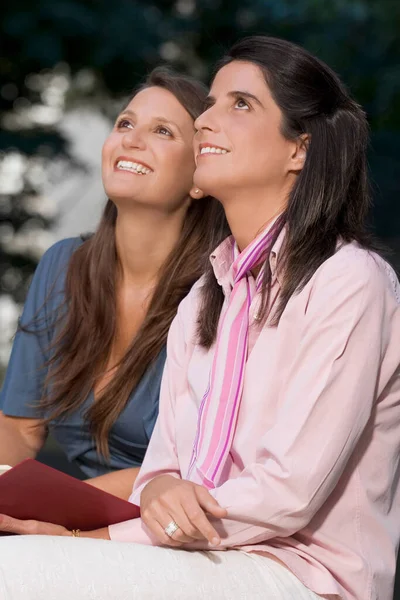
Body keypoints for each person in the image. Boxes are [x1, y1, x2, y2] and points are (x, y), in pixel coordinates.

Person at [0, 35, 399, 600]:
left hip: (302, 572)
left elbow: (286, 495)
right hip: (201, 556)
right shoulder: (205, 299)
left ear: (299, 150)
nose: (209, 119)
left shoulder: (347, 281)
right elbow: (165, 472)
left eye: (241, 104)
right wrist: (101, 522)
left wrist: (89, 534)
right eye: (211, 103)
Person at [0, 67, 228, 499]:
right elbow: (19, 426)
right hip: (79, 516)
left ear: (200, 178)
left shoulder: (218, 291)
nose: (132, 139)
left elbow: (192, 468)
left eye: (162, 131)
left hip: (169, 524)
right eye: (125, 123)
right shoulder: (63, 266)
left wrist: (53, 508)